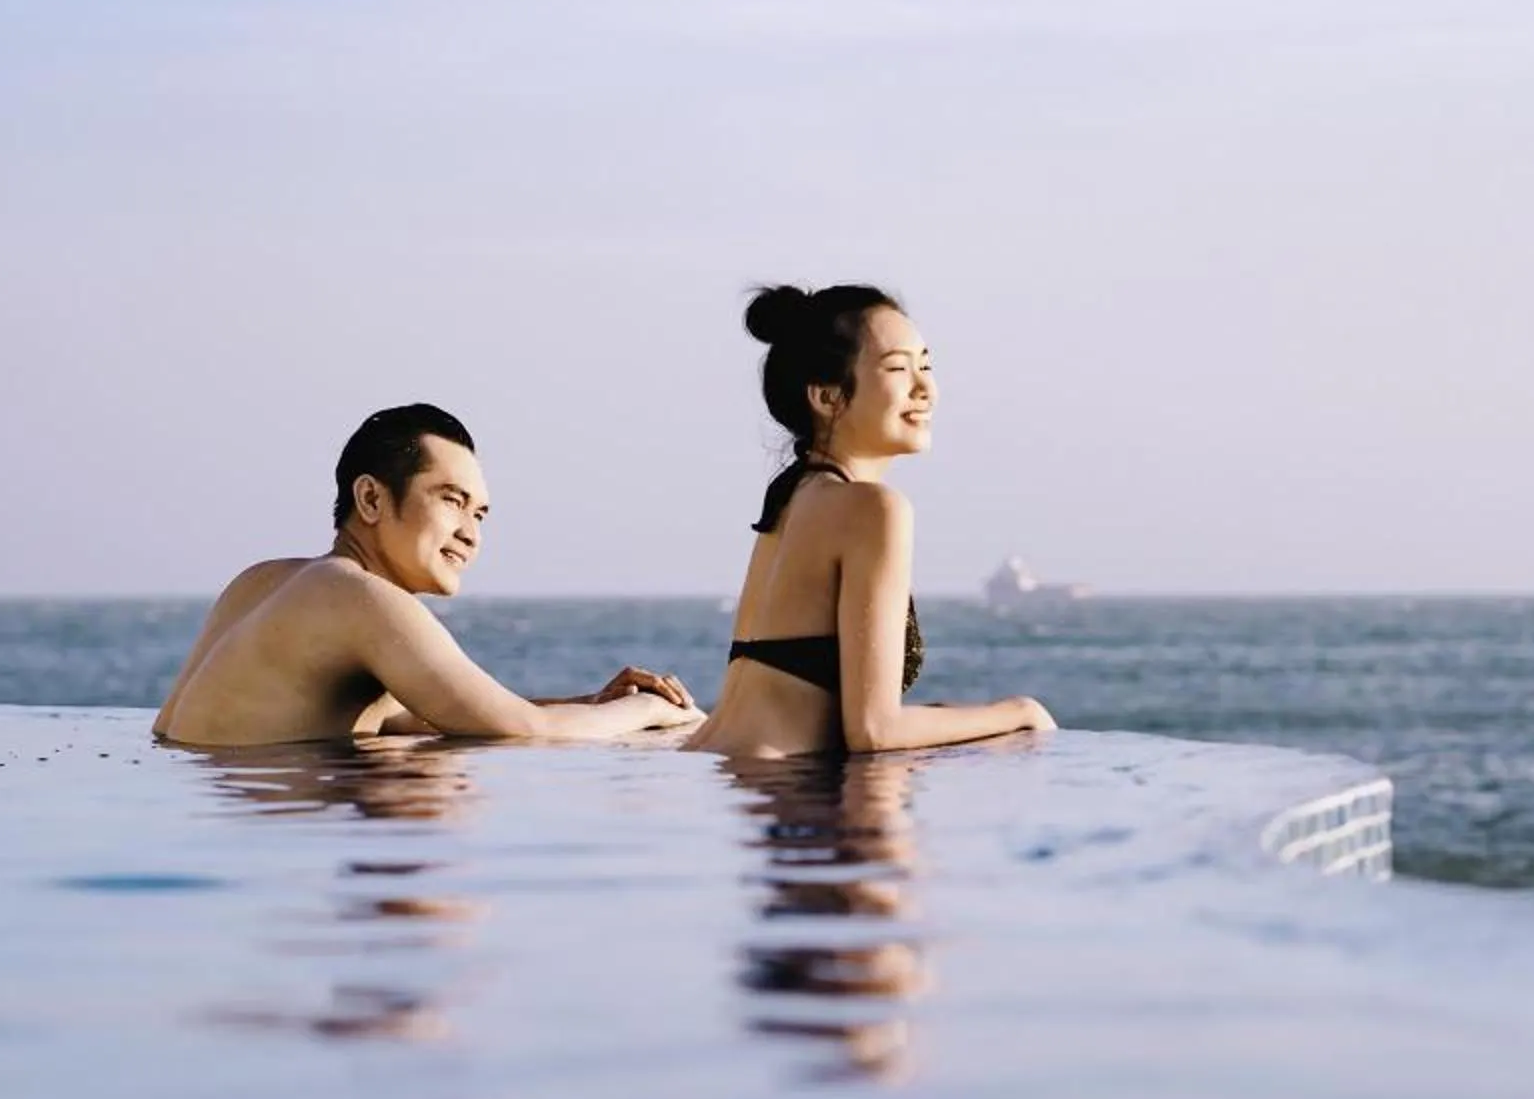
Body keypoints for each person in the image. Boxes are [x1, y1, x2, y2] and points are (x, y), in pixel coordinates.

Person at [155, 403, 699, 750]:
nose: (470, 533)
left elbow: (439, 712)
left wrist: (590, 704)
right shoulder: (357, 596)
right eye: (451, 501)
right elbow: (523, 733)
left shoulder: (262, 581)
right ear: (370, 497)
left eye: (480, 513)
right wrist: (651, 710)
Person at [687, 286, 1053, 759]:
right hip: (784, 804)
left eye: (926, 365)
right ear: (827, 396)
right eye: (899, 369)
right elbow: (874, 730)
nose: (924, 388)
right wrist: (1019, 712)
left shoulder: (794, 495)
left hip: (725, 776)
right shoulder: (872, 508)